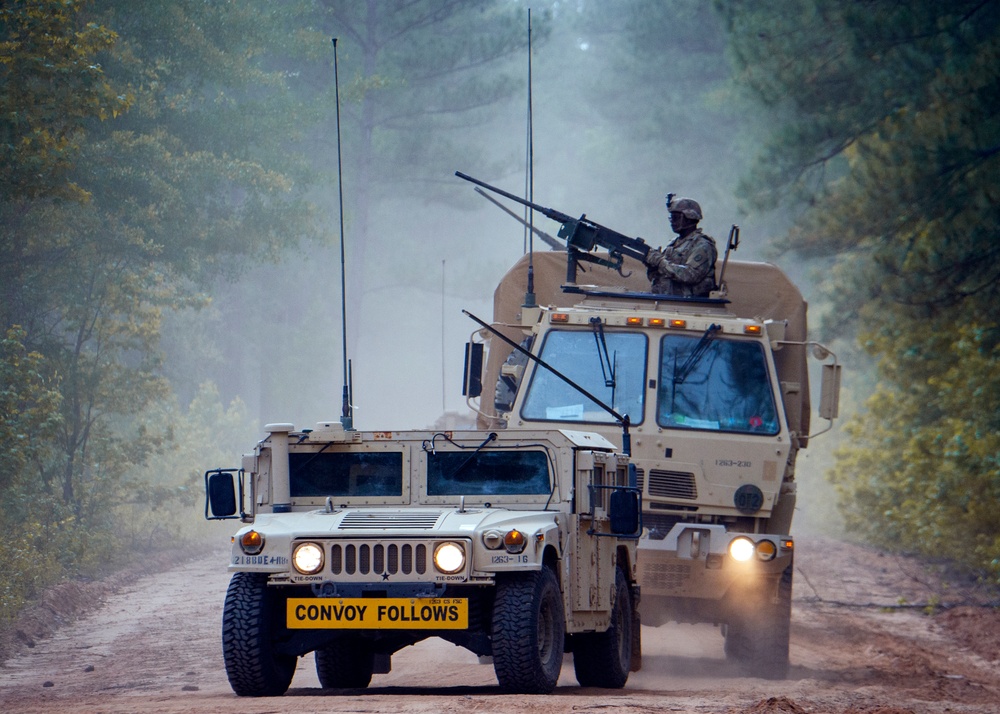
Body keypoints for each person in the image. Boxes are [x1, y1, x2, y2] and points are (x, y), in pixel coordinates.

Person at [644, 195, 718, 297]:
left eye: (676, 218)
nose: (672, 222)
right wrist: (652, 265)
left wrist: (660, 262)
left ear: (689, 218)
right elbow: (658, 277)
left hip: (691, 305)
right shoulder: (673, 244)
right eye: (671, 218)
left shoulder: (703, 246)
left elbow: (690, 275)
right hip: (667, 301)